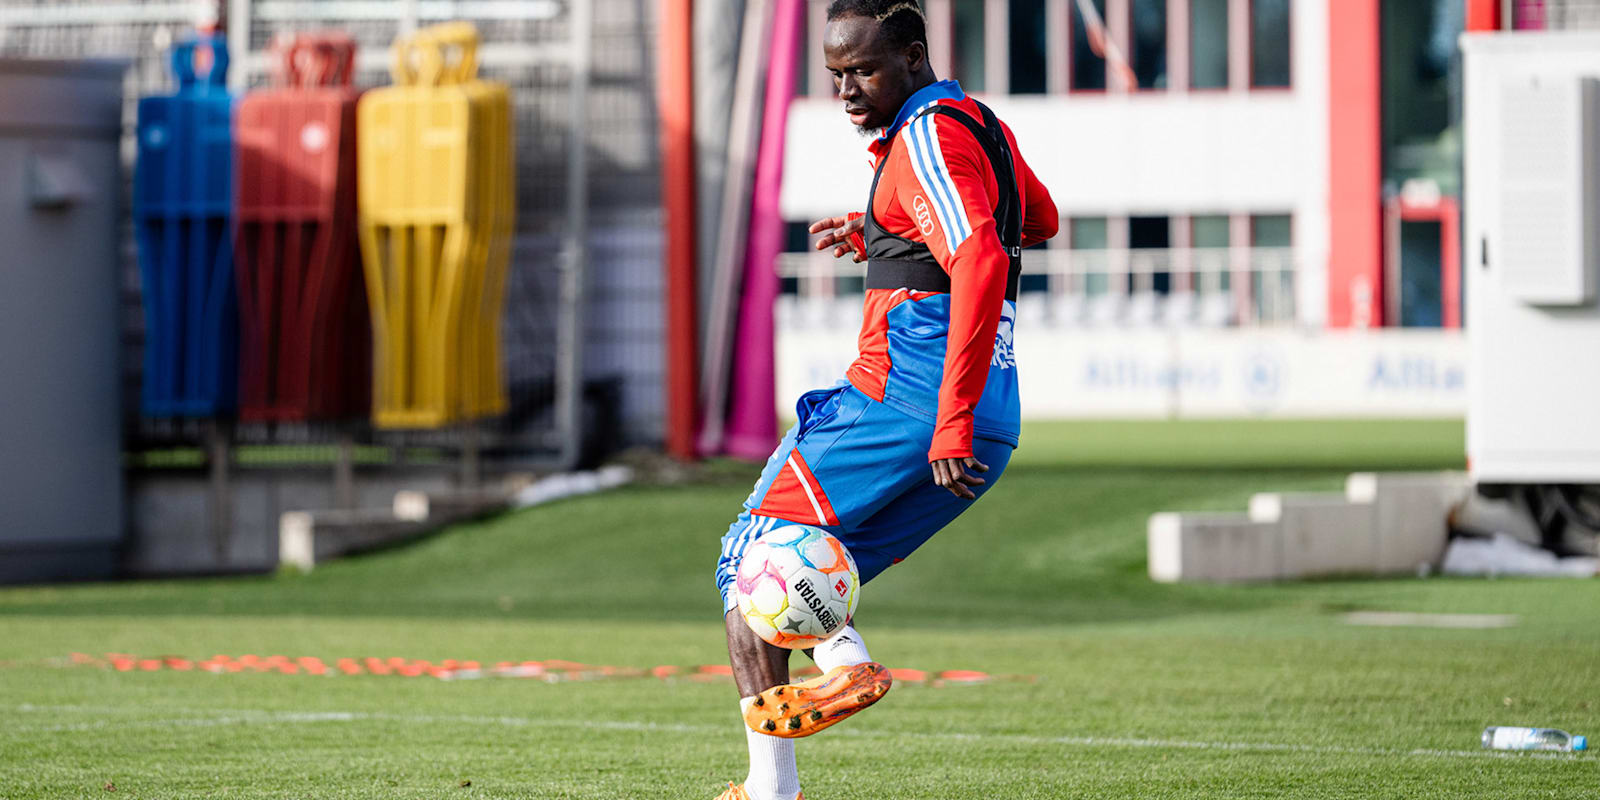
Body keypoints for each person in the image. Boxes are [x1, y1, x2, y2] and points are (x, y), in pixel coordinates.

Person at [711, 1, 1058, 797]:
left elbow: (979, 259)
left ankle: (847, 664)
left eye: (863, 69)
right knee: (782, 581)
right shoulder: (982, 126)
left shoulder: (929, 132)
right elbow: (1033, 220)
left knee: (750, 554)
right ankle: (771, 789)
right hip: (986, 420)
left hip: (909, 402)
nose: (846, 90)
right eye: (835, 75)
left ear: (912, 53)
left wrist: (950, 419)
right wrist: (891, 231)